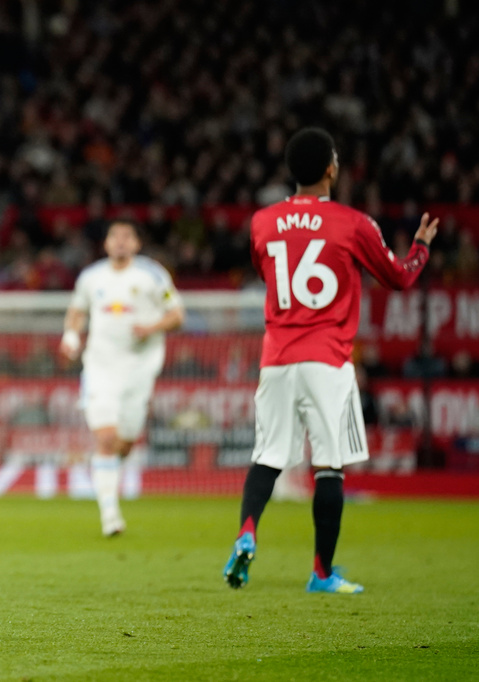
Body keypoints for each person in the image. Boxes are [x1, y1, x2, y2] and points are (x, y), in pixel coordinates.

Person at [223, 127, 438, 594]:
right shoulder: (353, 223)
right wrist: (420, 248)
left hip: (276, 358)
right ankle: (321, 573)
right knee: (329, 465)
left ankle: (247, 531)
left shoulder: (262, 221)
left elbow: (266, 270)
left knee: (268, 456)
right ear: (330, 169)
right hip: (327, 358)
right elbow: (399, 279)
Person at [59, 219, 185, 537]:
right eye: (114, 236)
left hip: (139, 370)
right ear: (106, 244)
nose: (120, 242)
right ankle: (110, 517)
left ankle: (116, 470)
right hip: (100, 368)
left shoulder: (152, 274)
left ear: (137, 244)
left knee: (124, 442)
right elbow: (76, 311)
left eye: (127, 236)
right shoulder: (91, 277)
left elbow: (177, 315)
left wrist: (151, 328)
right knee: (104, 439)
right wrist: (72, 336)